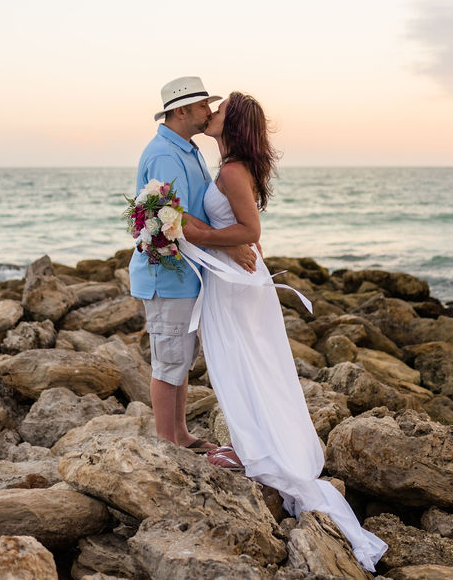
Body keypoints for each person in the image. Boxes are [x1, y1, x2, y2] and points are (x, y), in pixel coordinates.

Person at [183, 91, 388, 571]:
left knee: (243, 363)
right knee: (248, 363)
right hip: (235, 280)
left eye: (221, 112)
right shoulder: (233, 164)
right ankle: (255, 442)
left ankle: (260, 450)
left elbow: (249, 232)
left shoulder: (233, 170)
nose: (211, 114)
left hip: (236, 283)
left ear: (234, 125)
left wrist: (199, 234)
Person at [129, 76, 258, 453]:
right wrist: (232, 245)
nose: (209, 111)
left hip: (189, 272)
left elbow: (196, 211)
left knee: (180, 360)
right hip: (168, 276)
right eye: (203, 105)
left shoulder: (186, 148)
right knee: (168, 362)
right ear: (181, 110)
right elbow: (177, 218)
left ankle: (181, 434)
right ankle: (167, 444)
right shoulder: (166, 154)